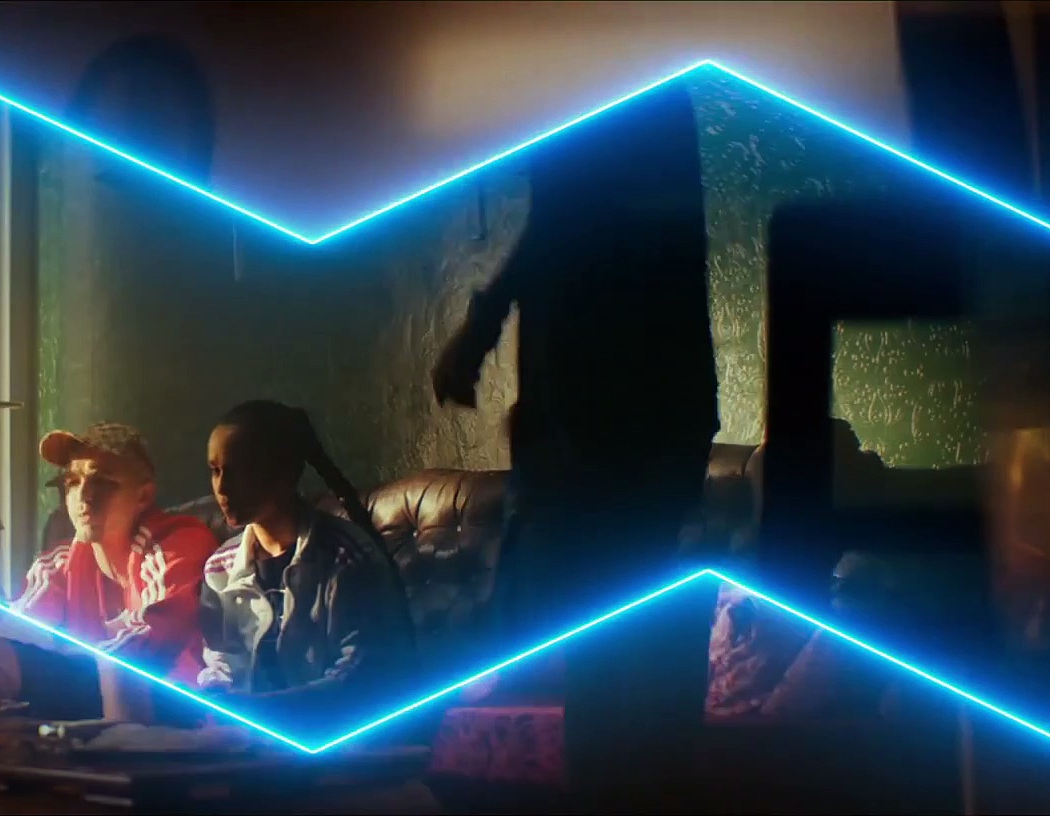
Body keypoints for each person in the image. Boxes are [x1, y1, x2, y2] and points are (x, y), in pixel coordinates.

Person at [429, 83, 720, 812]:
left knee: (606, 658)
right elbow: (572, 222)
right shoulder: (629, 83)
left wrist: (485, 327)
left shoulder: (598, 79)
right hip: (632, 414)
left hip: (609, 422)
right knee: (612, 656)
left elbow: (568, 221)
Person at [0, 422, 218, 723]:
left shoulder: (178, 543)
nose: (85, 496)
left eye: (103, 482)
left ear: (143, 496)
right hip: (93, 683)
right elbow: (17, 633)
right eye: (72, 482)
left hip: (171, 697)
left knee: (120, 669)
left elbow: (152, 642)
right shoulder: (61, 561)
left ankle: (119, 749)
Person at [195, 400, 419, 739]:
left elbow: (360, 678)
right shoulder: (219, 568)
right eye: (215, 470)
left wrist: (259, 711)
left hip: (345, 741)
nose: (222, 489)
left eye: (239, 471)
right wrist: (216, 696)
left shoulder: (345, 557)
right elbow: (221, 661)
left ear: (284, 473)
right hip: (250, 743)